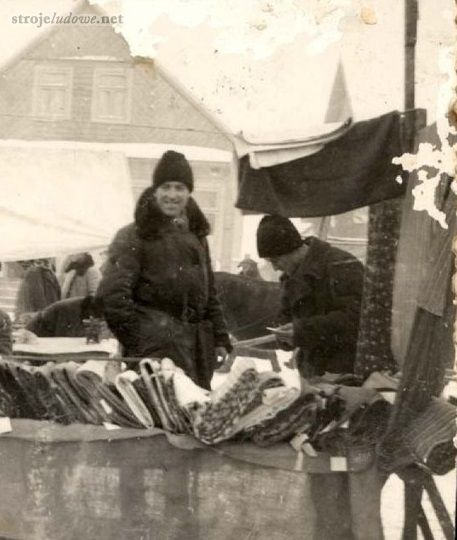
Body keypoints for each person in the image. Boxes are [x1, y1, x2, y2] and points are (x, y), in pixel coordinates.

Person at [97, 150, 232, 390]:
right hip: (156, 353)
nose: (172, 195)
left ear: (189, 192)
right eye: (165, 187)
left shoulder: (197, 237)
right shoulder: (134, 235)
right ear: (155, 191)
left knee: (195, 414)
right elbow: (114, 297)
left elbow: (209, 292)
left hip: (196, 350)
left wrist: (220, 337)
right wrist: (141, 343)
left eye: (179, 188)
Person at [256, 215, 364, 377]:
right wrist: (284, 334)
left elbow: (356, 318)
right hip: (311, 369)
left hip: (344, 370)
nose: (275, 268)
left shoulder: (341, 264)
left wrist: (301, 330)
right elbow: (285, 315)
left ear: (292, 250)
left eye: (276, 260)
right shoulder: (291, 276)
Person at [25, 296, 105, 338]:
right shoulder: (72, 309)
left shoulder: (84, 305)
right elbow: (63, 335)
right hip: (37, 329)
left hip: (48, 328)